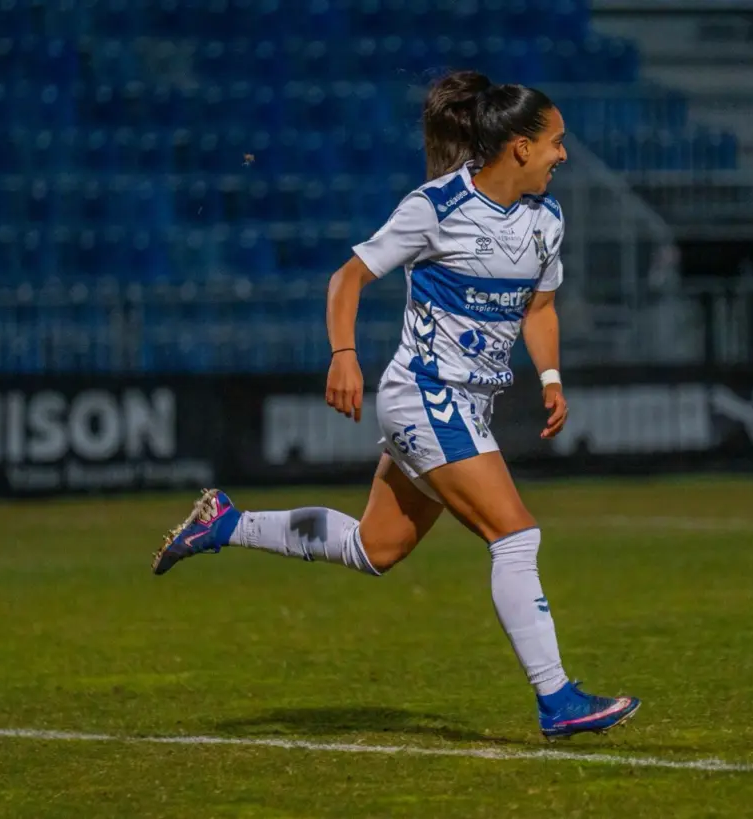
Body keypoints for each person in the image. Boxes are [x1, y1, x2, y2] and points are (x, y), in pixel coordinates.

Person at [152, 70, 641, 740]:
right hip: (425, 396)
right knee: (516, 533)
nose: (563, 154)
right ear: (520, 148)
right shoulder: (436, 207)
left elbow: (542, 307)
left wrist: (550, 374)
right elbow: (347, 277)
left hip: (468, 407)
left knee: (373, 547)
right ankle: (557, 698)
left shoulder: (546, 220)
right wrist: (343, 354)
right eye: (555, 141)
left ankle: (226, 522)